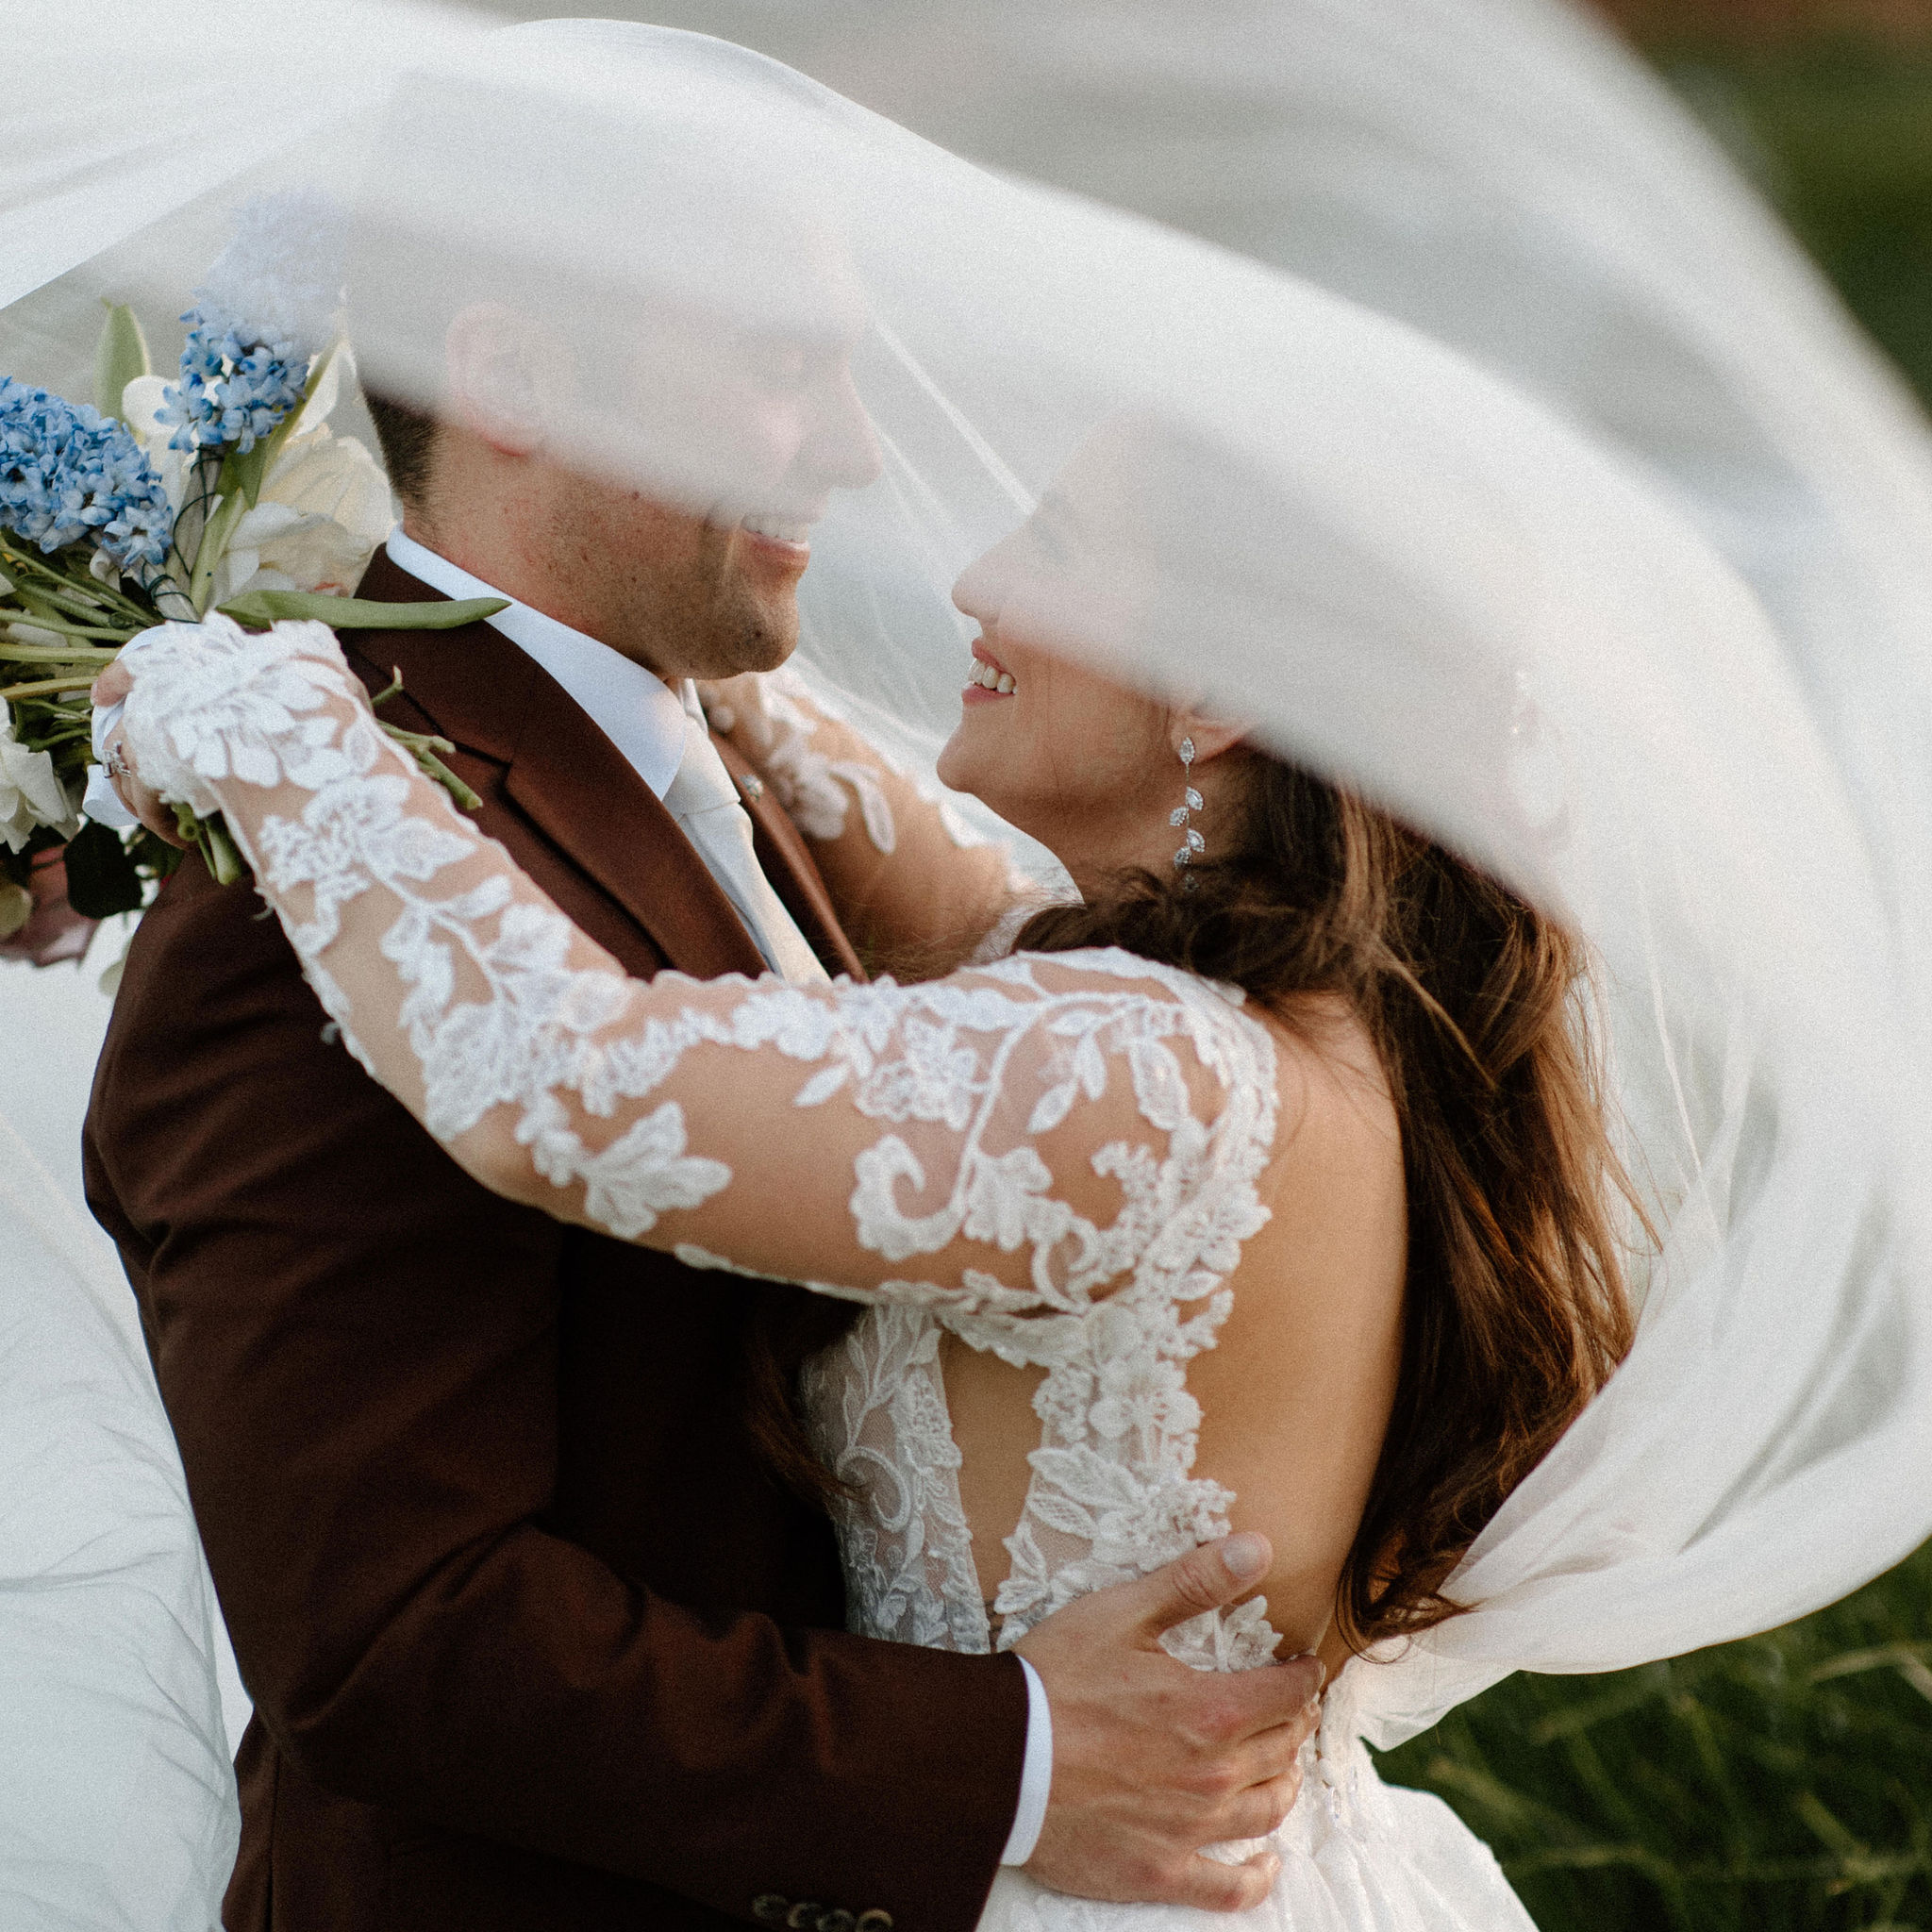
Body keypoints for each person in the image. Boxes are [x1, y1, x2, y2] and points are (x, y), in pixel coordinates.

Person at [95, 404, 1637, 1928]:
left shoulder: (1132, 1072)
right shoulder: (1323, 1020)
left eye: (1059, 543)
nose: (974, 580)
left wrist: (258, 720)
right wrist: (667, 630)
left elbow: (553, 1076)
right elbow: (899, 857)